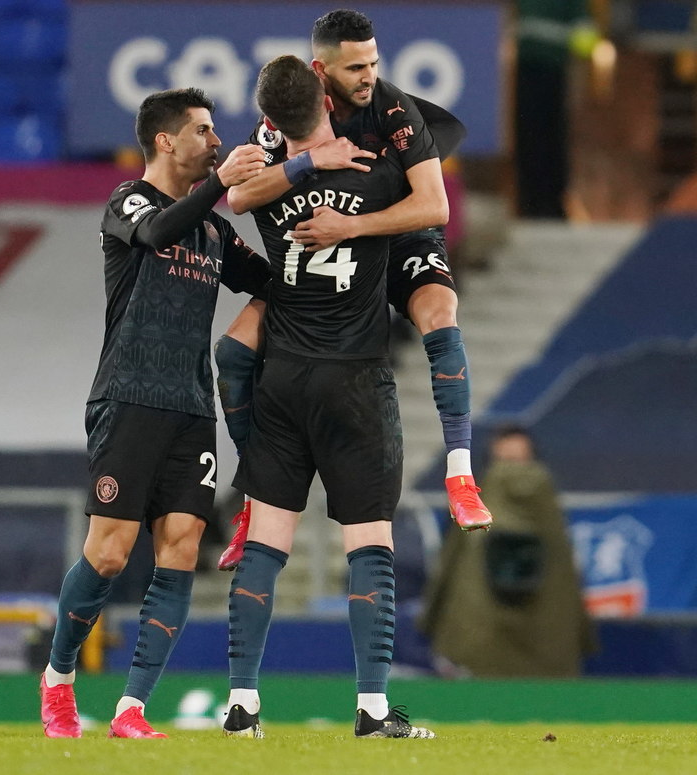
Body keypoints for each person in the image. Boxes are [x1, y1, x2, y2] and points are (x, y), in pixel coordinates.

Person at [216, 8, 492, 572]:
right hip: (328, 246)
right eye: (356, 68)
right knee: (234, 350)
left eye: (373, 63)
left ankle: (461, 476)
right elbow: (240, 197)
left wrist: (353, 226)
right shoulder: (291, 109)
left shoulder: (392, 108)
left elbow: (434, 206)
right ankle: (250, 502)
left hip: (392, 229)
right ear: (321, 72)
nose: (370, 76)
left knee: (440, 312)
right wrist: (310, 160)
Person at [39, 87, 271, 739]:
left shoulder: (215, 230)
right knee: (110, 554)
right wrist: (222, 184)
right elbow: (156, 232)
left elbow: (272, 284)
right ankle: (57, 678)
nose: (216, 141)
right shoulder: (129, 200)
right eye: (203, 130)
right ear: (166, 140)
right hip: (129, 396)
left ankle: (131, 708)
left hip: (192, 406)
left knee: (182, 548)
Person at [221, 54, 434, 740]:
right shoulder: (377, 170)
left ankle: (242, 704)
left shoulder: (264, 179)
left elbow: (237, 198)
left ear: (268, 118)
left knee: (264, 544)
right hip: (356, 381)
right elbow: (431, 203)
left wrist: (301, 162)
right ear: (325, 93)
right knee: (369, 543)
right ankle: (372, 709)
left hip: (283, 378)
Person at [419, 424, 597, 676]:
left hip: (477, 638)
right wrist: (583, 638)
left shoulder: (472, 502)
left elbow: (448, 564)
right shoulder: (548, 506)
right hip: (546, 641)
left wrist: (430, 622)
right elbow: (568, 575)